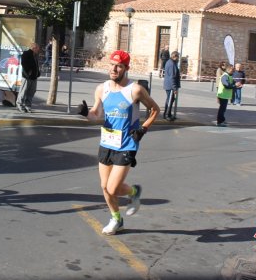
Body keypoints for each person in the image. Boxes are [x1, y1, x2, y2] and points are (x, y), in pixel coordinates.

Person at [77, 50, 160, 235]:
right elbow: (96, 115)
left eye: (119, 66)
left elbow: (155, 109)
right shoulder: (102, 88)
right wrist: (85, 113)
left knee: (113, 188)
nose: (114, 69)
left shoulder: (135, 90)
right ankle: (116, 219)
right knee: (104, 187)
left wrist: (143, 129)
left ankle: (133, 193)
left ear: (126, 68)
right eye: (112, 65)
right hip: (107, 142)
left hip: (127, 144)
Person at [16, 43, 41, 113]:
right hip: (27, 77)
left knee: (31, 92)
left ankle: (28, 106)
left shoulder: (35, 55)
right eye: (37, 48)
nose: (38, 50)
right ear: (33, 48)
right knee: (23, 91)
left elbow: (36, 65)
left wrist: (37, 73)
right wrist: (28, 73)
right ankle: (19, 105)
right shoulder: (26, 53)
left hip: (34, 77)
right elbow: (24, 64)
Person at [162, 50, 180, 121]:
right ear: (174, 56)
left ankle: (168, 114)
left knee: (171, 100)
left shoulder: (170, 62)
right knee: (169, 100)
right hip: (170, 86)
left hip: (169, 85)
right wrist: (175, 88)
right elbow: (172, 77)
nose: (178, 58)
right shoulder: (171, 64)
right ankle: (166, 115)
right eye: (177, 57)